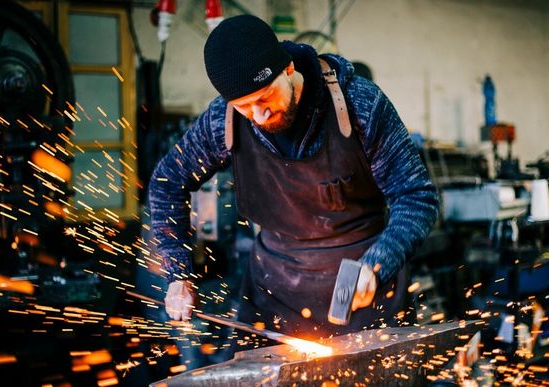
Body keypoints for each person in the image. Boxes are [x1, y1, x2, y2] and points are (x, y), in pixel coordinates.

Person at [149, 14, 438, 344]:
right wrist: (179, 273)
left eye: (265, 97)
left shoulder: (359, 103)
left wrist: (378, 262)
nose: (258, 115)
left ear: (288, 69)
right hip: (274, 295)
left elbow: (417, 196)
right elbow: (166, 182)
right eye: (244, 106)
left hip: (364, 293)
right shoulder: (223, 120)